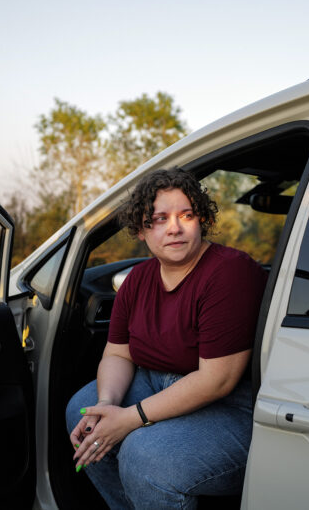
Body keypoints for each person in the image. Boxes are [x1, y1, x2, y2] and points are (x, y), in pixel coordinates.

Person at [65, 168, 267, 509]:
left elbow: (218, 381)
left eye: (185, 215)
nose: (174, 228)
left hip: (232, 405)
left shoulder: (230, 272)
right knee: (83, 414)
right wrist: (107, 403)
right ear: (142, 231)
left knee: (146, 457)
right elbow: (118, 354)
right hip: (155, 381)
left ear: (201, 219)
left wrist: (129, 418)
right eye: (158, 219)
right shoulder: (138, 279)